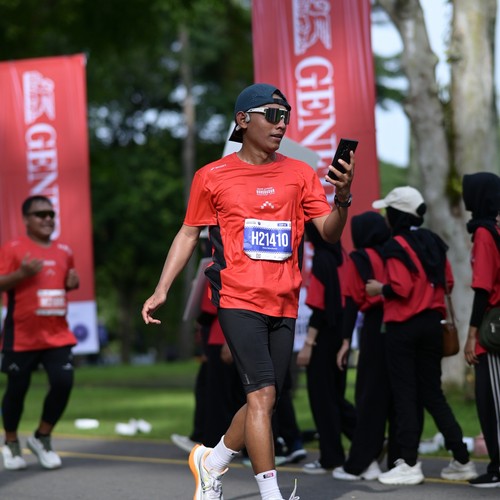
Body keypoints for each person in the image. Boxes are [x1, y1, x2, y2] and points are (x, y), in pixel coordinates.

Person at [141, 82, 354, 500]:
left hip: (285, 301)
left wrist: (342, 197)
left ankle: (212, 462)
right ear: (243, 120)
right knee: (262, 395)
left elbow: (329, 232)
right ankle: (271, 495)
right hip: (238, 299)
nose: (281, 124)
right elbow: (188, 234)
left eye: (285, 117)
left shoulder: (299, 173)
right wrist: (161, 288)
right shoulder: (212, 176)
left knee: (266, 401)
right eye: (272, 115)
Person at [366, 186, 477, 485]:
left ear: (397, 215)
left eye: (388, 211)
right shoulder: (433, 241)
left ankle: (410, 464)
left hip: (403, 327)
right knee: (433, 394)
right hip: (433, 325)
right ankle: (462, 459)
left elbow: (400, 288)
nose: (385, 216)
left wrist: (379, 288)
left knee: (405, 395)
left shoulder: (395, 245)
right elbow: (448, 282)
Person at [0, 195, 79, 470]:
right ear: (26, 219)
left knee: (63, 383)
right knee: (17, 389)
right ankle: (11, 443)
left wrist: (71, 283)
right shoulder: (13, 249)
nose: (47, 219)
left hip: (57, 334)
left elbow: (58, 286)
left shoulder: (64, 251)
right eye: (40, 214)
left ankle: (41, 437)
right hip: (22, 335)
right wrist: (21, 274)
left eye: (51, 214)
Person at [333, 211, 397, 481]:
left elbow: (351, 301)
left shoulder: (359, 258)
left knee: (368, 395)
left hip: (374, 326)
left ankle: (362, 462)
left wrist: (345, 341)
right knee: (396, 395)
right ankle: (399, 460)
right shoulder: (392, 252)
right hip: (398, 323)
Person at [297, 223, 357, 475]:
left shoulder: (321, 260)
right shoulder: (342, 255)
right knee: (335, 396)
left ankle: (331, 456)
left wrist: (308, 344)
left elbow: (318, 308)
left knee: (322, 398)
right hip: (341, 332)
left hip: (323, 335)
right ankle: (369, 440)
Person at [462, 172, 500, 488]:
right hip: (492, 327)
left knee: (493, 402)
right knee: (488, 400)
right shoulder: (490, 229)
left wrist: (471, 335)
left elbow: (483, 288)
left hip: (492, 332)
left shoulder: (485, 233)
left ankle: (498, 467)